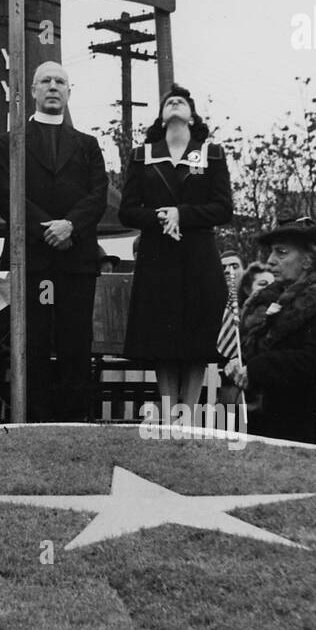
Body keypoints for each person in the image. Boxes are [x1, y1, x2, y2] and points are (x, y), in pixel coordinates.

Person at [0, 61, 109, 422]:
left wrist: (70, 226)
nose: (53, 86)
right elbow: (9, 195)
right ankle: (35, 420)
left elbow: (98, 193)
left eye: (60, 81)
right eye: (45, 81)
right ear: (32, 91)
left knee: (76, 343)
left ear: (69, 91)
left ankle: (74, 423)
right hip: (34, 260)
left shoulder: (87, 145)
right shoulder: (12, 141)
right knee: (34, 343)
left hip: (76, 261)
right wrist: (48, 229)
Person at [118, 83, 233, 407]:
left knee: (197, 338)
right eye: (169, 102)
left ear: (193, 117)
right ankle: (170, 411)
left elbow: (223, 208)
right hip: (158, 257)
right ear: (161, 115)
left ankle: (190, 413)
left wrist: (182, 214)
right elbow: (128, 210)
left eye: (182, 101)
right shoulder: (143, 155)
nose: (175, 103)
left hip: (199, 256)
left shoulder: (212, 154)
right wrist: (159, 217)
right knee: (162, 337)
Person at [224, 220, 316, 444]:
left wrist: (257, 369)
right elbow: (250, 348)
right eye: (271, 252)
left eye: (282, 252)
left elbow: (315, 360)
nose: (270, 261)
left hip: (302, 428)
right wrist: (238, 362)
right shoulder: (263, 301)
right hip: (256, 422)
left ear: (308, 260)